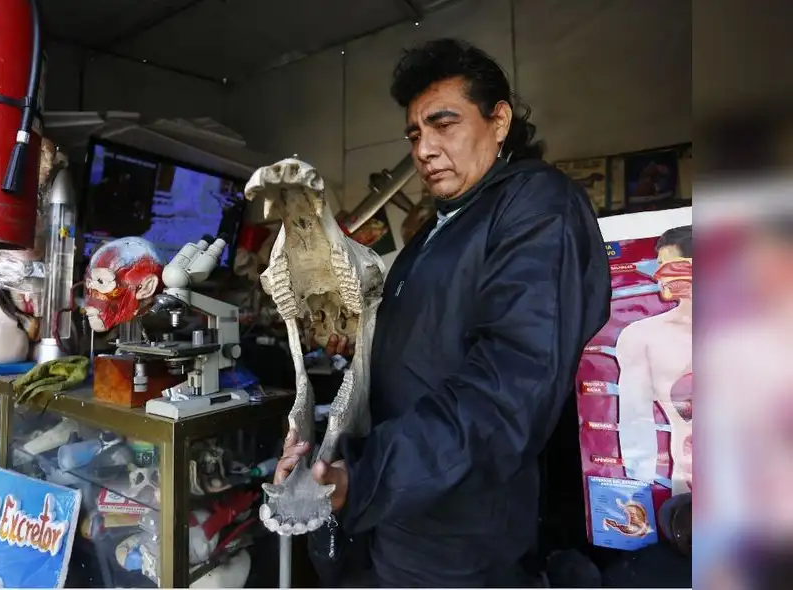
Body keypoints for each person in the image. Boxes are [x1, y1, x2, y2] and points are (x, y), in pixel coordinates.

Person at [274, 38, 611, 587]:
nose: (424, 148)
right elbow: (425, 346)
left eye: (444, 124)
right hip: (399, 514)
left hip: (462, 538)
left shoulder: (537, 207)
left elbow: (510, 387)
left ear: (499, 120)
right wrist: (359, 346)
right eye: (414, 134)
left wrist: (368, 476)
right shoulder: (433, 233)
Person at [617, 225, 693, 495]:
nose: (658, 277)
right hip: (690, 490)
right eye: (657, 267)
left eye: (668, 267)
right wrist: (640, 474)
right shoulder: (643, 336)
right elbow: (635, 414)